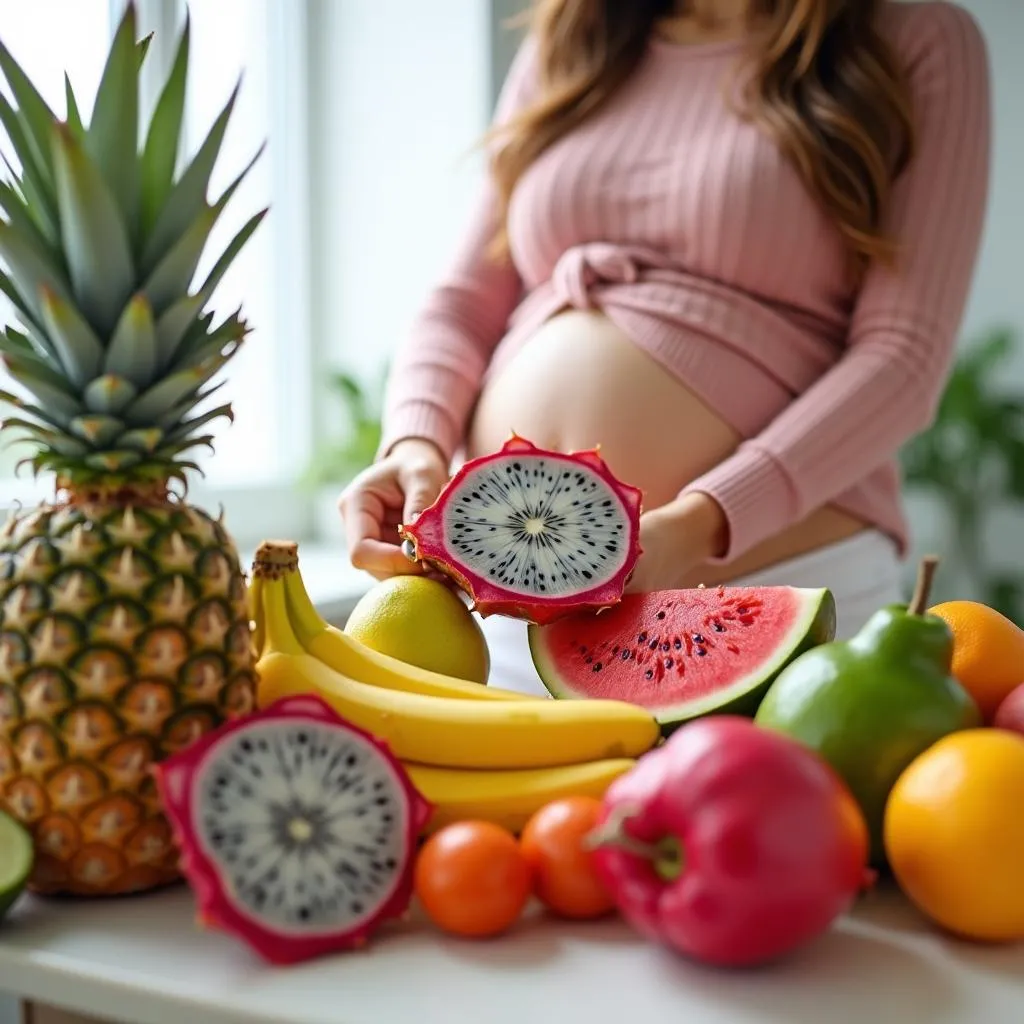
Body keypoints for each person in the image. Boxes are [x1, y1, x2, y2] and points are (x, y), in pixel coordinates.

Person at [338, 0, 991, 696]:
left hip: (761, 592)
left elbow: (904, 357)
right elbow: (464, 302)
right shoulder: (574, 36)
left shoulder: (915, 38)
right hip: (506, 607)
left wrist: (697, 524)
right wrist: (414, 443)